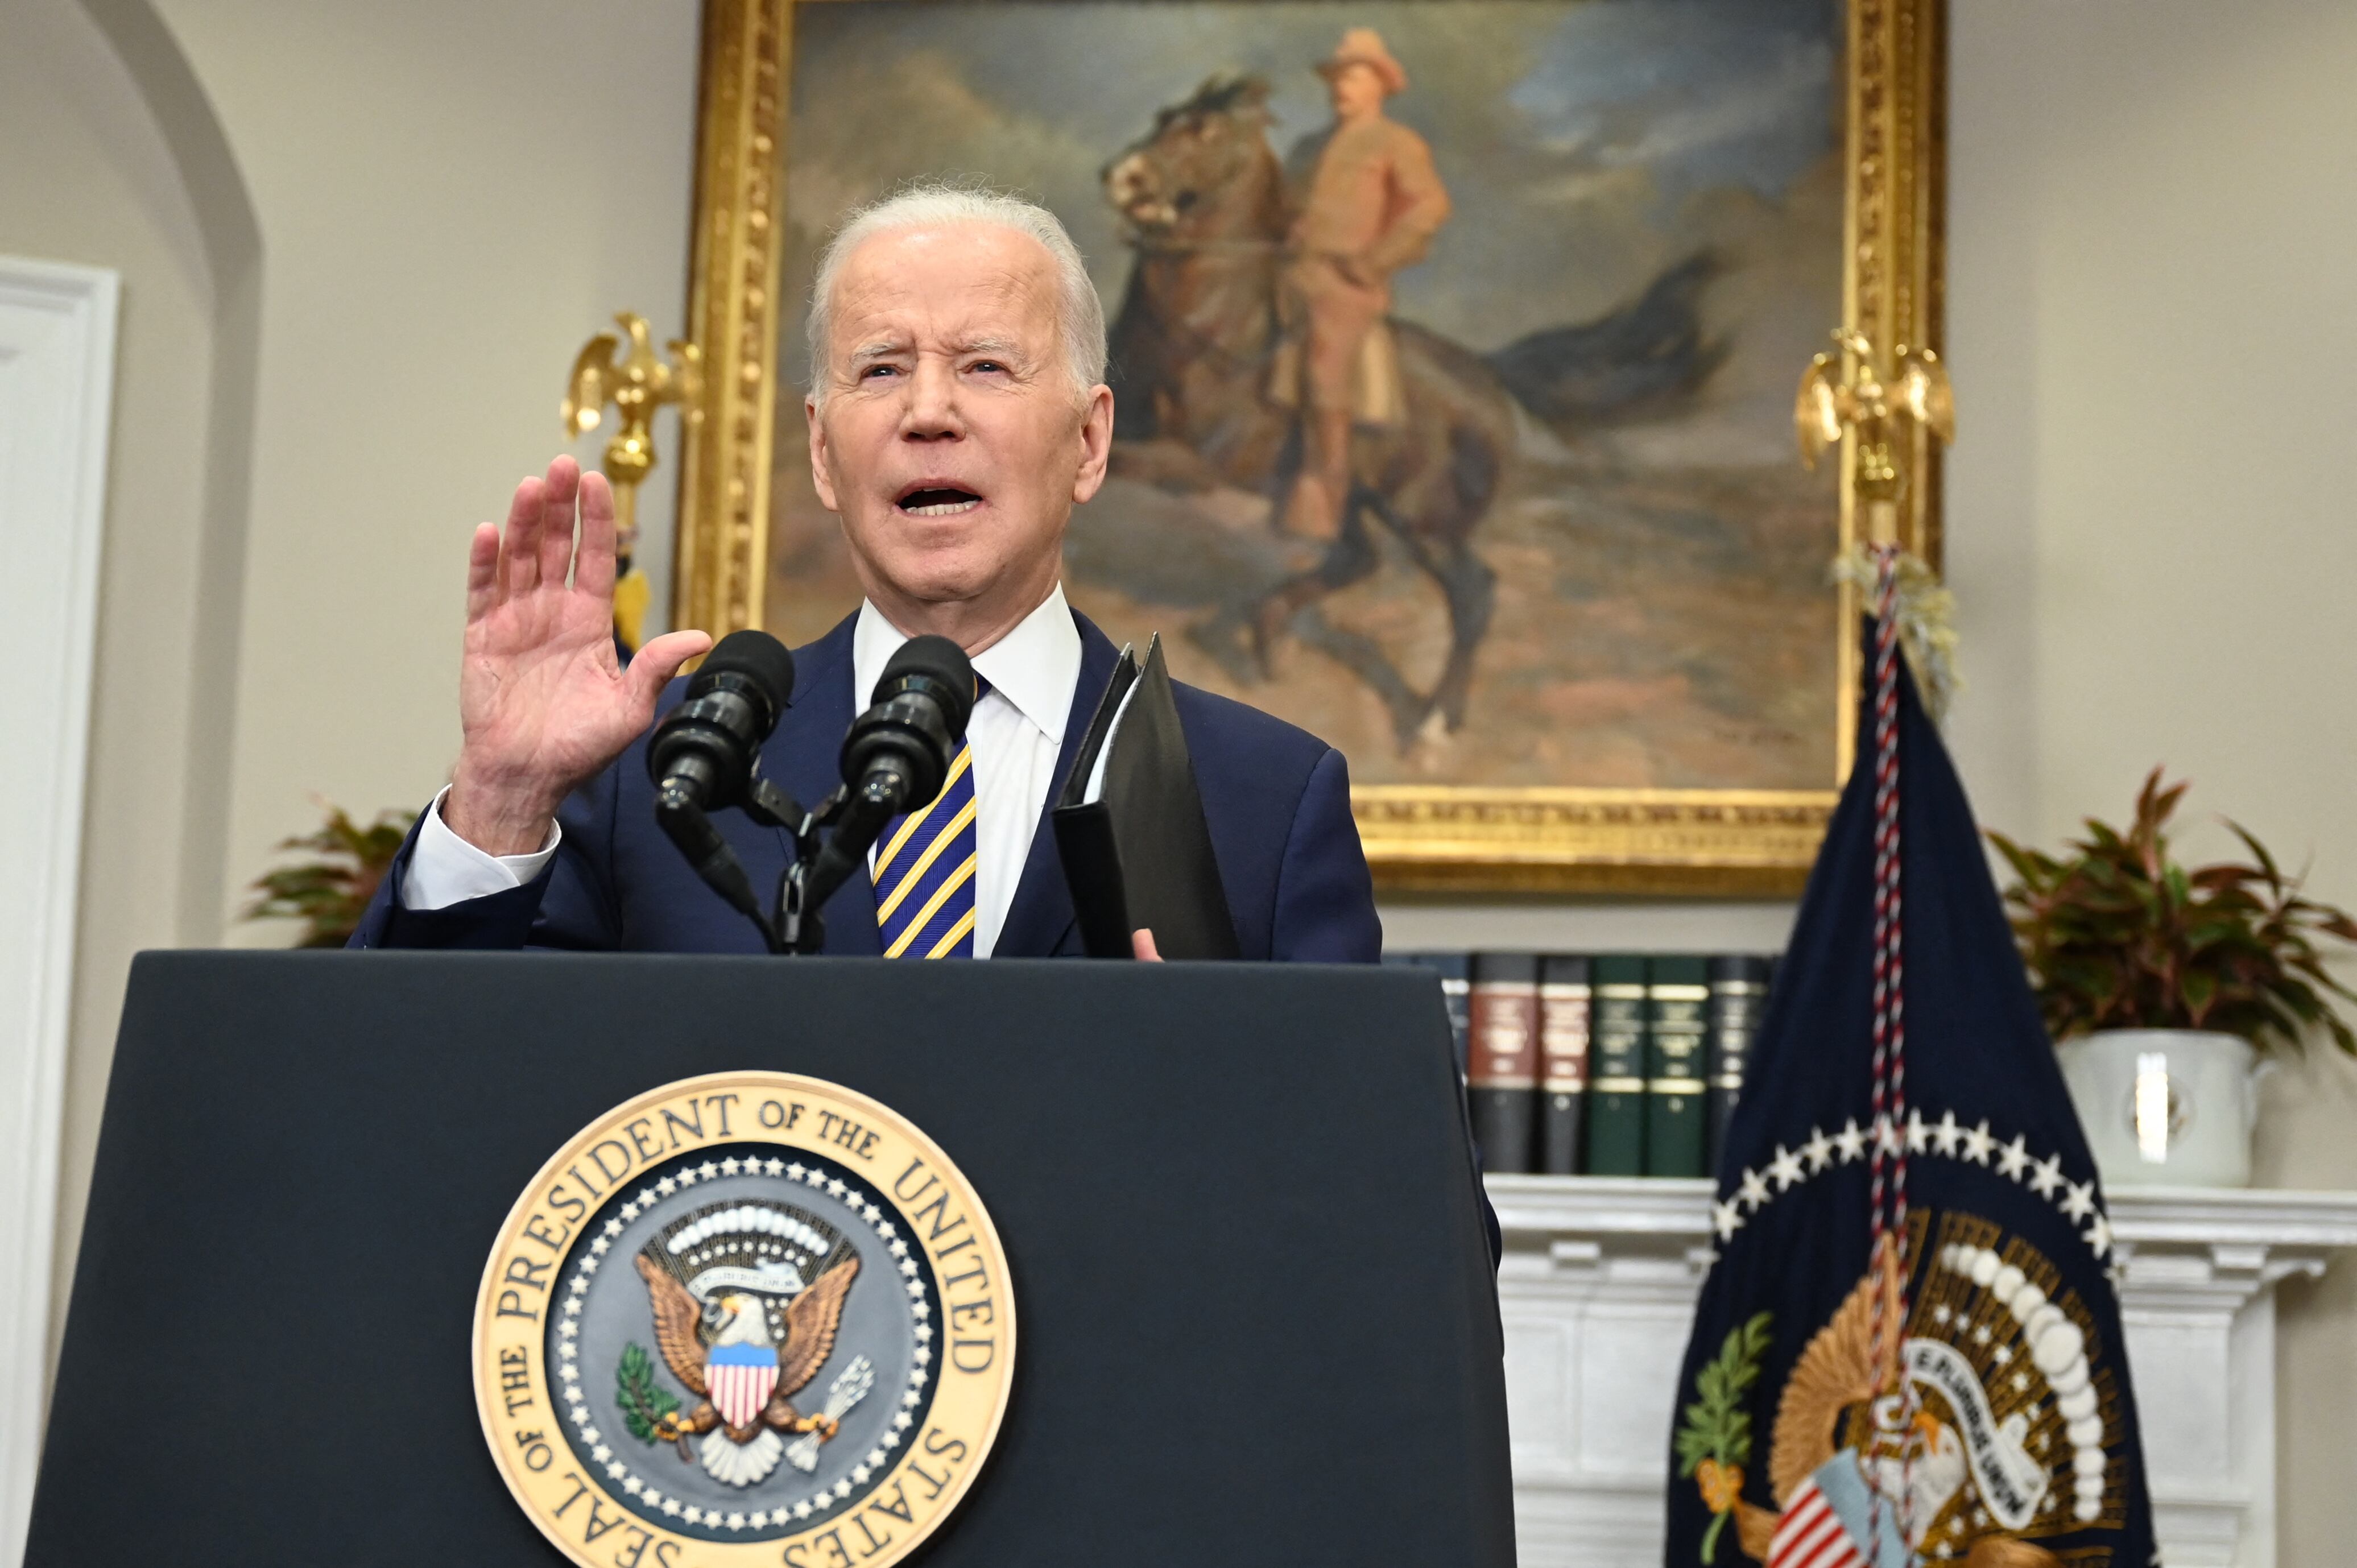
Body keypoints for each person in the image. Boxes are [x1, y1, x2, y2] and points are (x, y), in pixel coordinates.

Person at [348, 183, 1381, 961]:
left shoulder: (1264, 798)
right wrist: (502, 797)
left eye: (985, 365)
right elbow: (423, 1102)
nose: (927, 411)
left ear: (1090, 441)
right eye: (880, 368)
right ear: (820, 450)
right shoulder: (656, 776)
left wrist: (1224, 1099)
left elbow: (1385, 1209)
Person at [1275, 28, 1452, 545]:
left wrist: (1375, 261)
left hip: (1345, 287)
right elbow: (1285, 207)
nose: (1341, 86)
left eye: (1354, 75)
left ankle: (1322, 507)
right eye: (1336, 77)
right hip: (1290, 277)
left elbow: (1428, 208)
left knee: (1324, 372)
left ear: (1380, 84)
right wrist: (1289, 229)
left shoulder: (1396, 143)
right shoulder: (1309, 147)